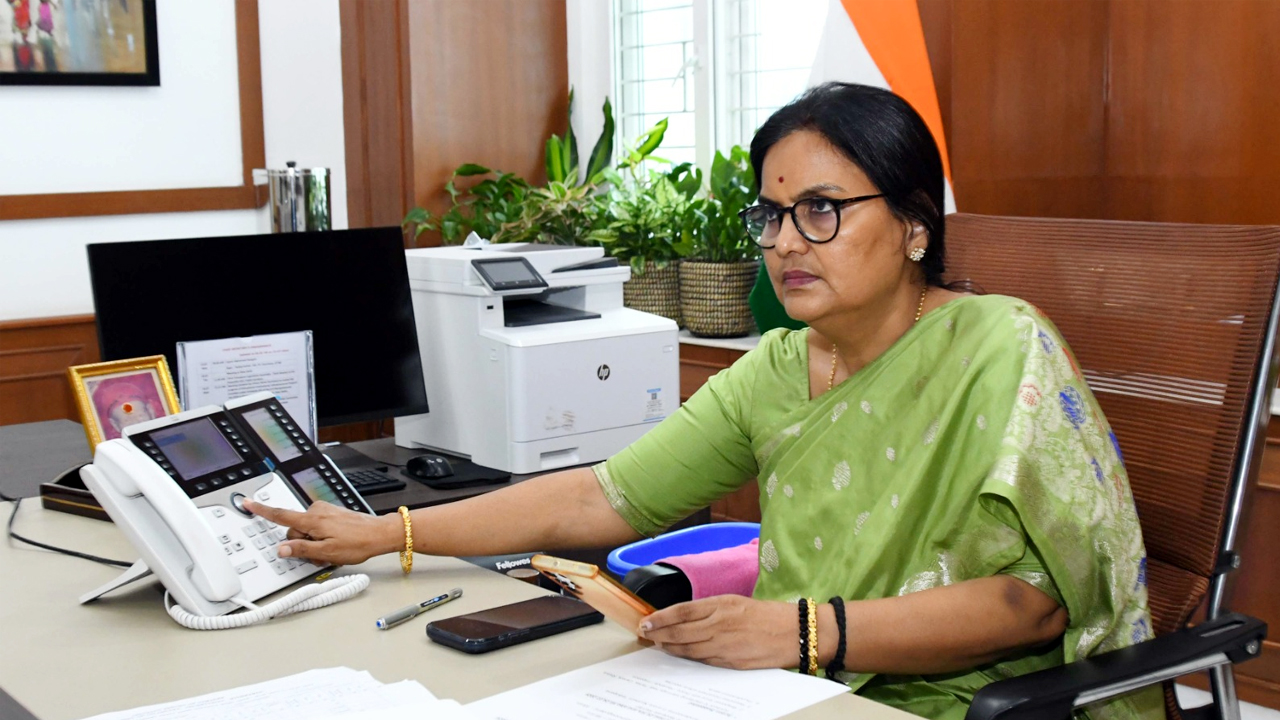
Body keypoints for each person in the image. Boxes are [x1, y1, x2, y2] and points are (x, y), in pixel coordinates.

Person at [245, 83, 1160, 720]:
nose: (786, 242)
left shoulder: (998, 346)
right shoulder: (779, 368)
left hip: (947, 701)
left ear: (915, 225)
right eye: (771, 215)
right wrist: (391, 534)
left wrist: (800, 631)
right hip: (781, 687)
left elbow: (1033, 608)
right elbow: (600, 497)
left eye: (822, 210)